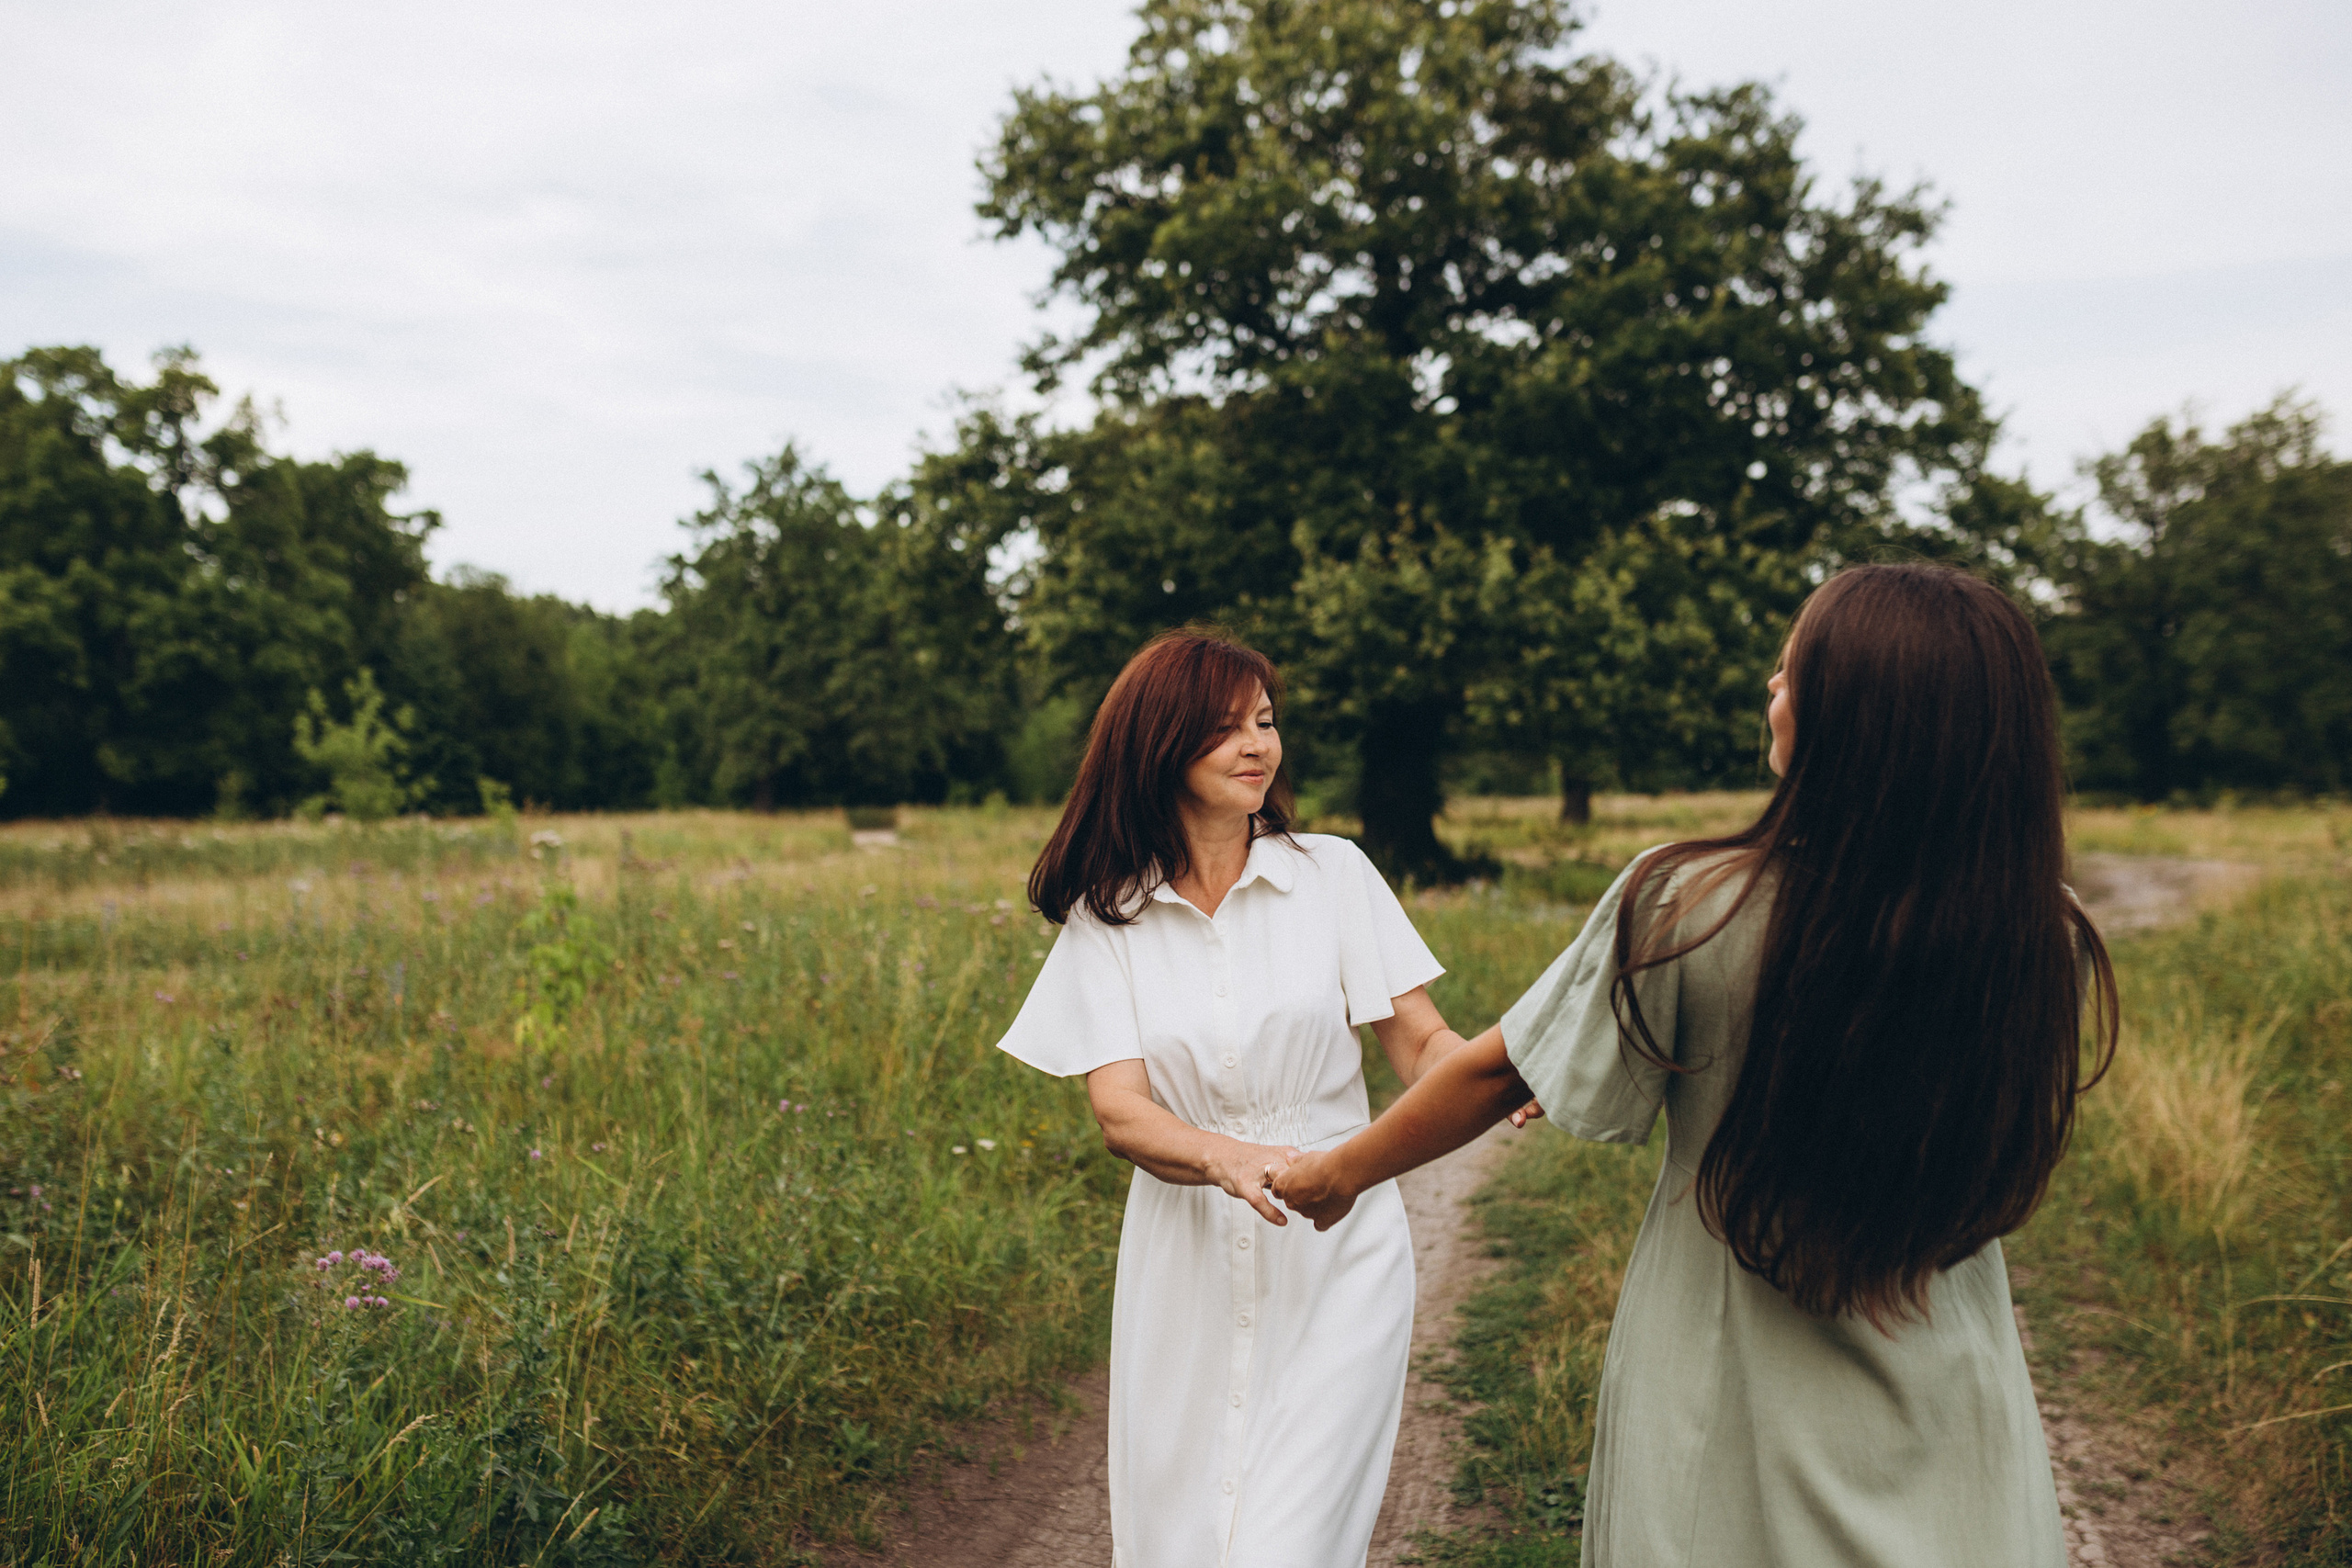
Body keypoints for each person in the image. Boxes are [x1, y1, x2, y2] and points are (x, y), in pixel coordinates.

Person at [1276, 562, 2119, 1567]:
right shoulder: (2045, 932)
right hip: (1952, 1390)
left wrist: (1341, 1171)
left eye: (1792, 670)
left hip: (1722, 1388)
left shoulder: (1691, 901)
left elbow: (1502, 1073)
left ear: (1857, 716)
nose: (1772, 686)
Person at [997, 627, 1470, 1568]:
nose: (1259, 746)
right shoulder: (1109, 914)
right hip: (1184, 1259)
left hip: (1337, 1246)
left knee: (1289, 1545)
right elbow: (1121, 1111)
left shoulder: (1333, 874)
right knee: (1180, 1538)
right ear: (1160, 744)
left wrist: (1487, 1077)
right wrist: (1230, 1158)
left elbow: (1420, 1038)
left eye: (1266, 721)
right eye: (1227, 728)